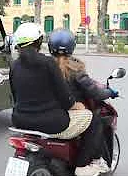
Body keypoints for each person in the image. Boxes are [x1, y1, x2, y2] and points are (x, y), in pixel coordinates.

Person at [9, 23, 107, 176]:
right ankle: (82, 166)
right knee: (91, 118)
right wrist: (77, 105)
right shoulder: (48, 64)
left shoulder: (14, 66)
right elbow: (65, 97)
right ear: (39, 42)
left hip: (19, 121)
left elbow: (15, 96)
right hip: (51, 123)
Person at [48, 29, 119, 174]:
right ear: (72, 47)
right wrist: (109, 92)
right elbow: (95, 92)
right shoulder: (75, 68)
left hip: (47, 114)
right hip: (69, 115)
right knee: (96, 121)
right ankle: (83, 164)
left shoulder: (45, 66)